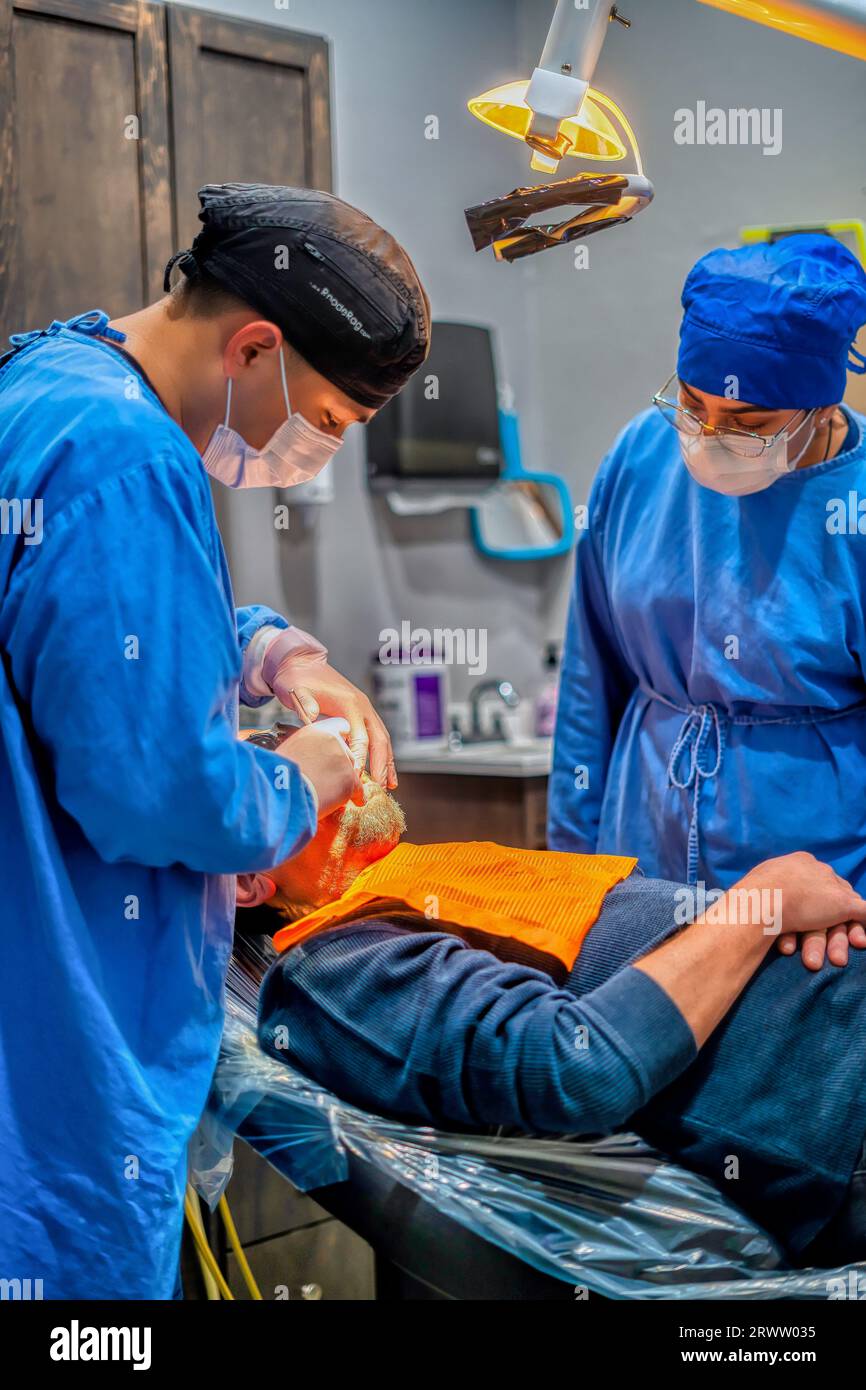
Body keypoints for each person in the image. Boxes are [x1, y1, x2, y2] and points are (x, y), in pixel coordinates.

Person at [0, 183, 429, 1297]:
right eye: (325, 421)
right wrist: (296, 780)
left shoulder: (48, 382)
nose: (317, 451)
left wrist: (275, 649)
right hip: (55, 1030)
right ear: (254, 346)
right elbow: (150, 791)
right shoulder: (126, 455)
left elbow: (101, 626)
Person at [238, 728, 866, 1265]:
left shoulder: (407, 887)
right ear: (245, 879)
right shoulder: (336, 964)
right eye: (271, 751)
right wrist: (763, 906)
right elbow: (573, 1067)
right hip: (840, 1101)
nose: (325, 739)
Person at [547, 235, 866, 901]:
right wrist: (572, 874)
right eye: (694, 406)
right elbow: (590, 676)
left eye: (750, 421)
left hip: (824, 883)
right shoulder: (643, 456)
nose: (712, 437)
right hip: (642, 850)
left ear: (824, 404)